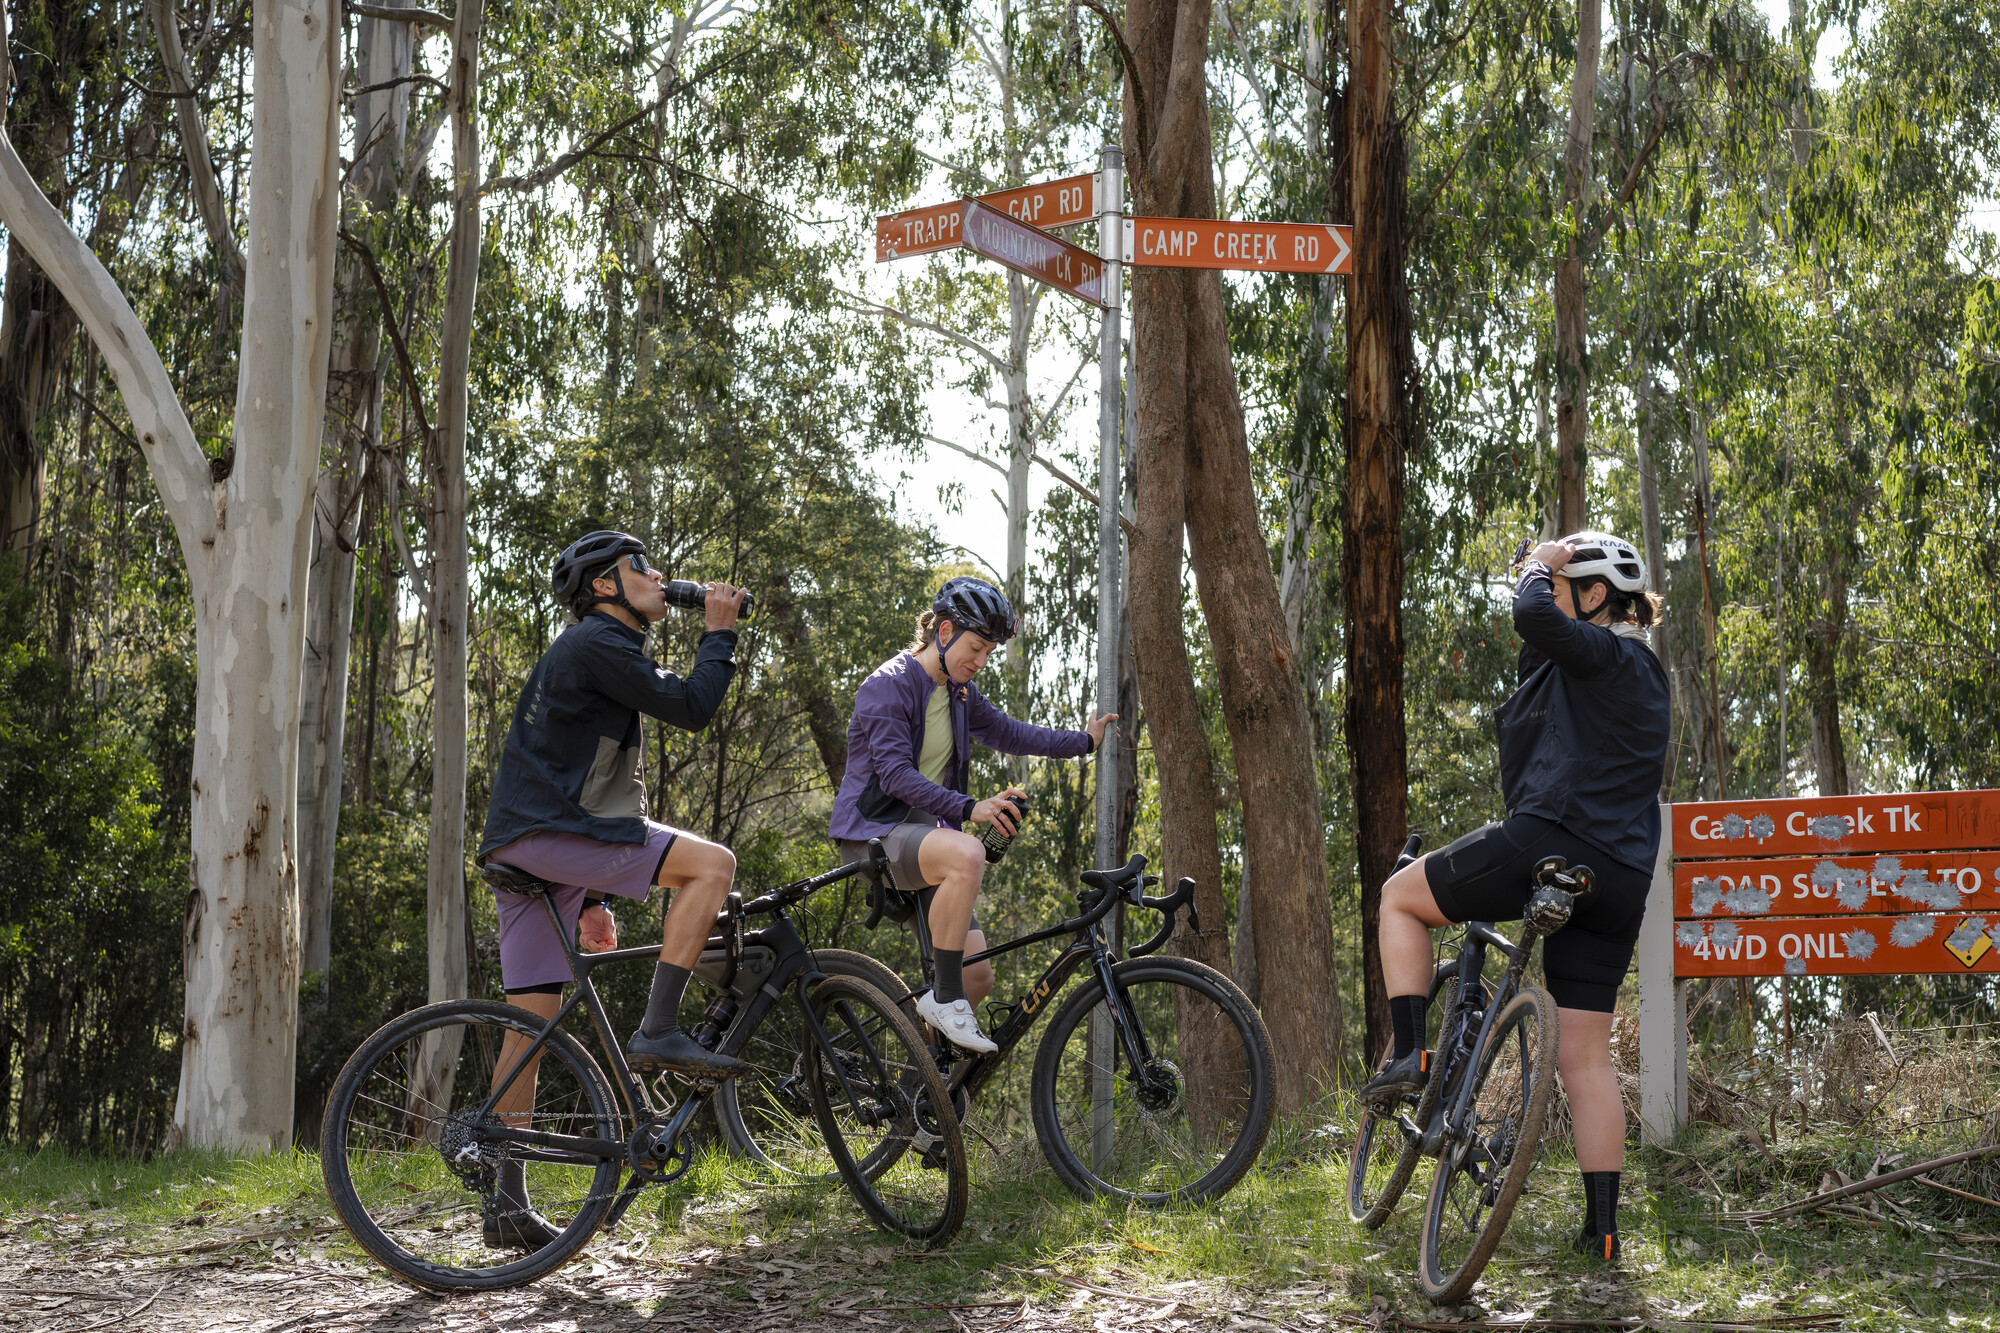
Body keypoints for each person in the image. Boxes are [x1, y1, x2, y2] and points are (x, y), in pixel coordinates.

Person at [1361, 531, 1670, 1263]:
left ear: (1595, 596)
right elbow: (1537, 643)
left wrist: (1541, 565)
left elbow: (1535, 619)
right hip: (1620, 878)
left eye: (1567, 589)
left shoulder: (1614, 652)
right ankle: (1601, 1233)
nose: (1550, 598)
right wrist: (1541, 567)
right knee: (1584, 1057)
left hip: (1553, 839)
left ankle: (1409, 1055)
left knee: (1400, 899)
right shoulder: (1623, 670)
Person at [474, 529, 749, 1250]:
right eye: (640, 566)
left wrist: (591, 898)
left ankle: (505, 1202)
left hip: (531, 841)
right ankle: (660, 1025)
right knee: (712, 866)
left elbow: (582, 773)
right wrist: (718, 632)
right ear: (603, 586)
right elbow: (692, 705)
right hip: (549, 834)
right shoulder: (598, 641)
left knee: (530, 1022)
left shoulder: (594, 651)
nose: (658, 575)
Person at [830, 576, 1114, 1054]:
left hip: (925, 836)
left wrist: (1083, 742)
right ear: (943, 633)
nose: (981, 662)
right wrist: (970, 807)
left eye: (989, 653)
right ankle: (942, 1001)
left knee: (977, 978)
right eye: (976, 648)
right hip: (873, 833)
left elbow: (1009, 733)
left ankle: (922, 1098)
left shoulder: (958, 693)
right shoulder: (887, 686)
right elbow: (896, 776)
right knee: (967, 853)